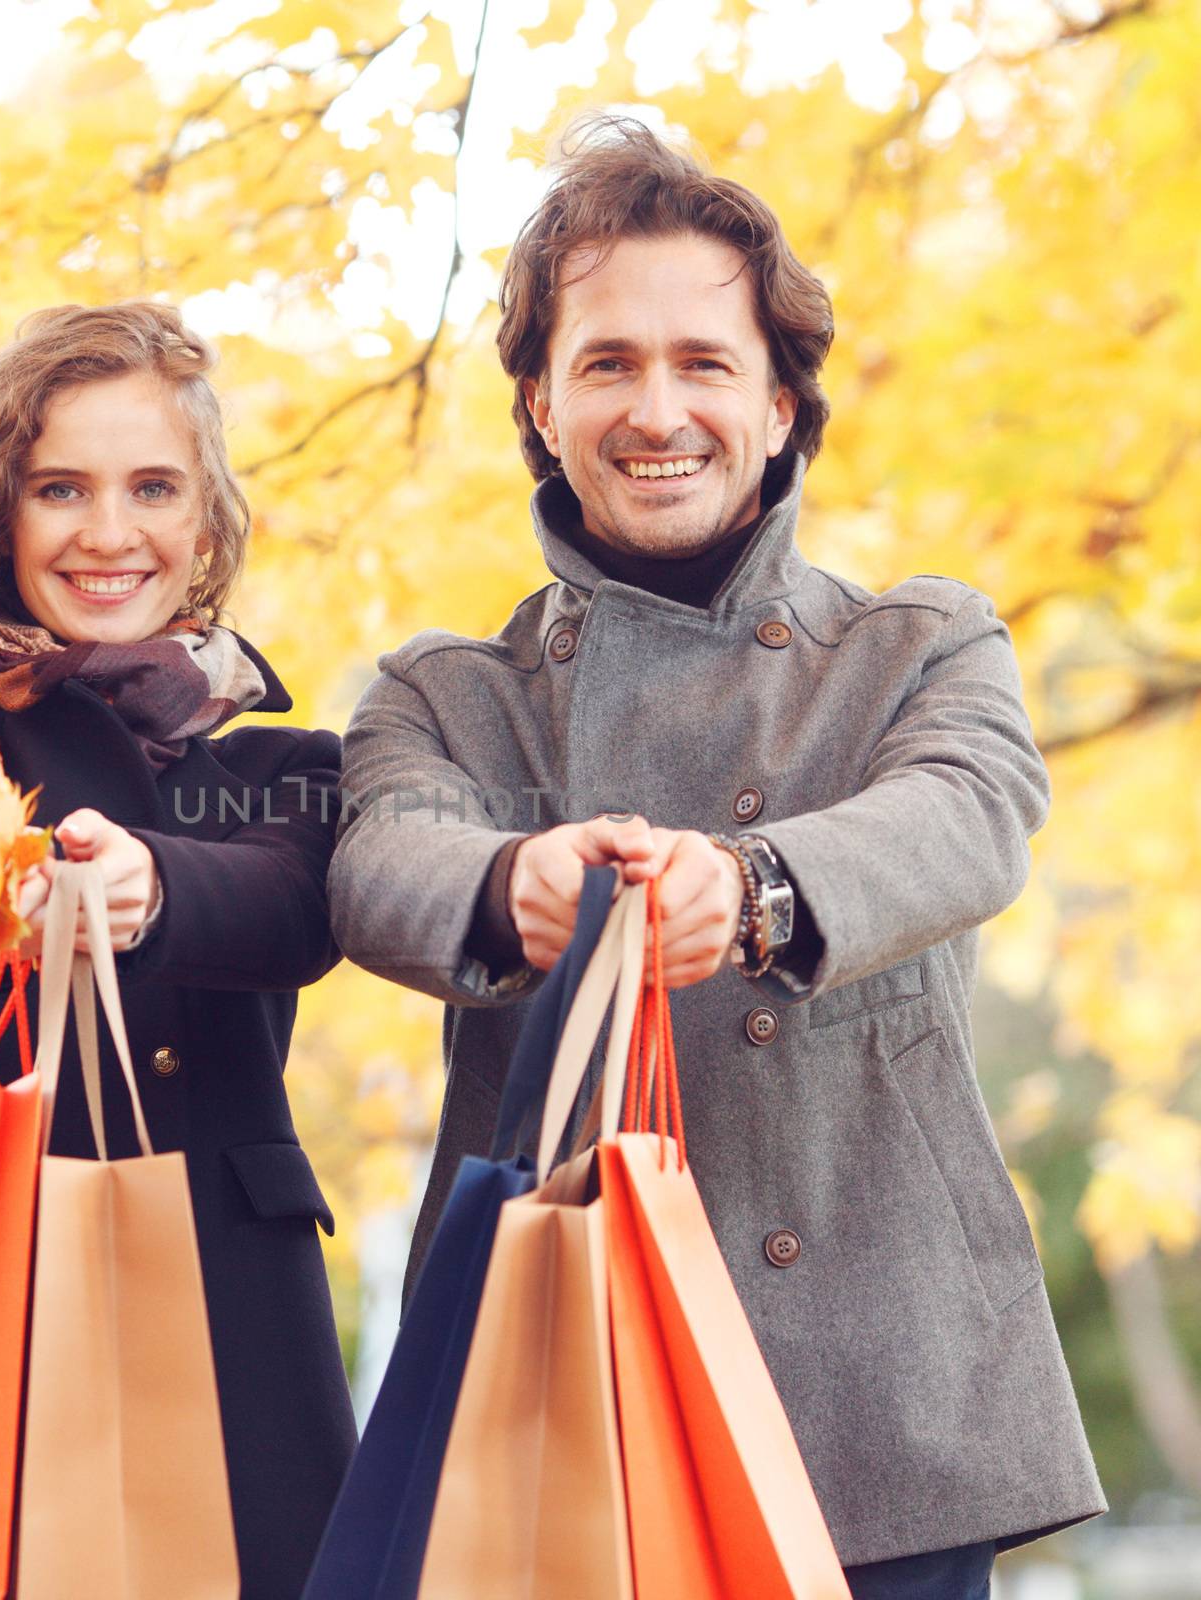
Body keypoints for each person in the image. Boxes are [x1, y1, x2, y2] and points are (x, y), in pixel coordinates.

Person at [328, 117, 1104, 1599]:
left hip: (874, 1409)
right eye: (607, 363)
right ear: (541, 406)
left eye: (705, 363)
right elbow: (378, 865)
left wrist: (750, 891)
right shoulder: (445, 692)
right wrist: (515, 887)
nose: (656, 408)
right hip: (552, 1393)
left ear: (782, 402)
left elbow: (970, 812)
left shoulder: (921, 644)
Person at [0, 302, 355, 1600]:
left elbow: (298, 909)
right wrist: (10, 908)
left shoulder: (286, 772)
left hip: (227, 1312)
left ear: (204, 520)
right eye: (60, 489)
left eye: (153, 486)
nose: (110, 531)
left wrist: (149, 893)